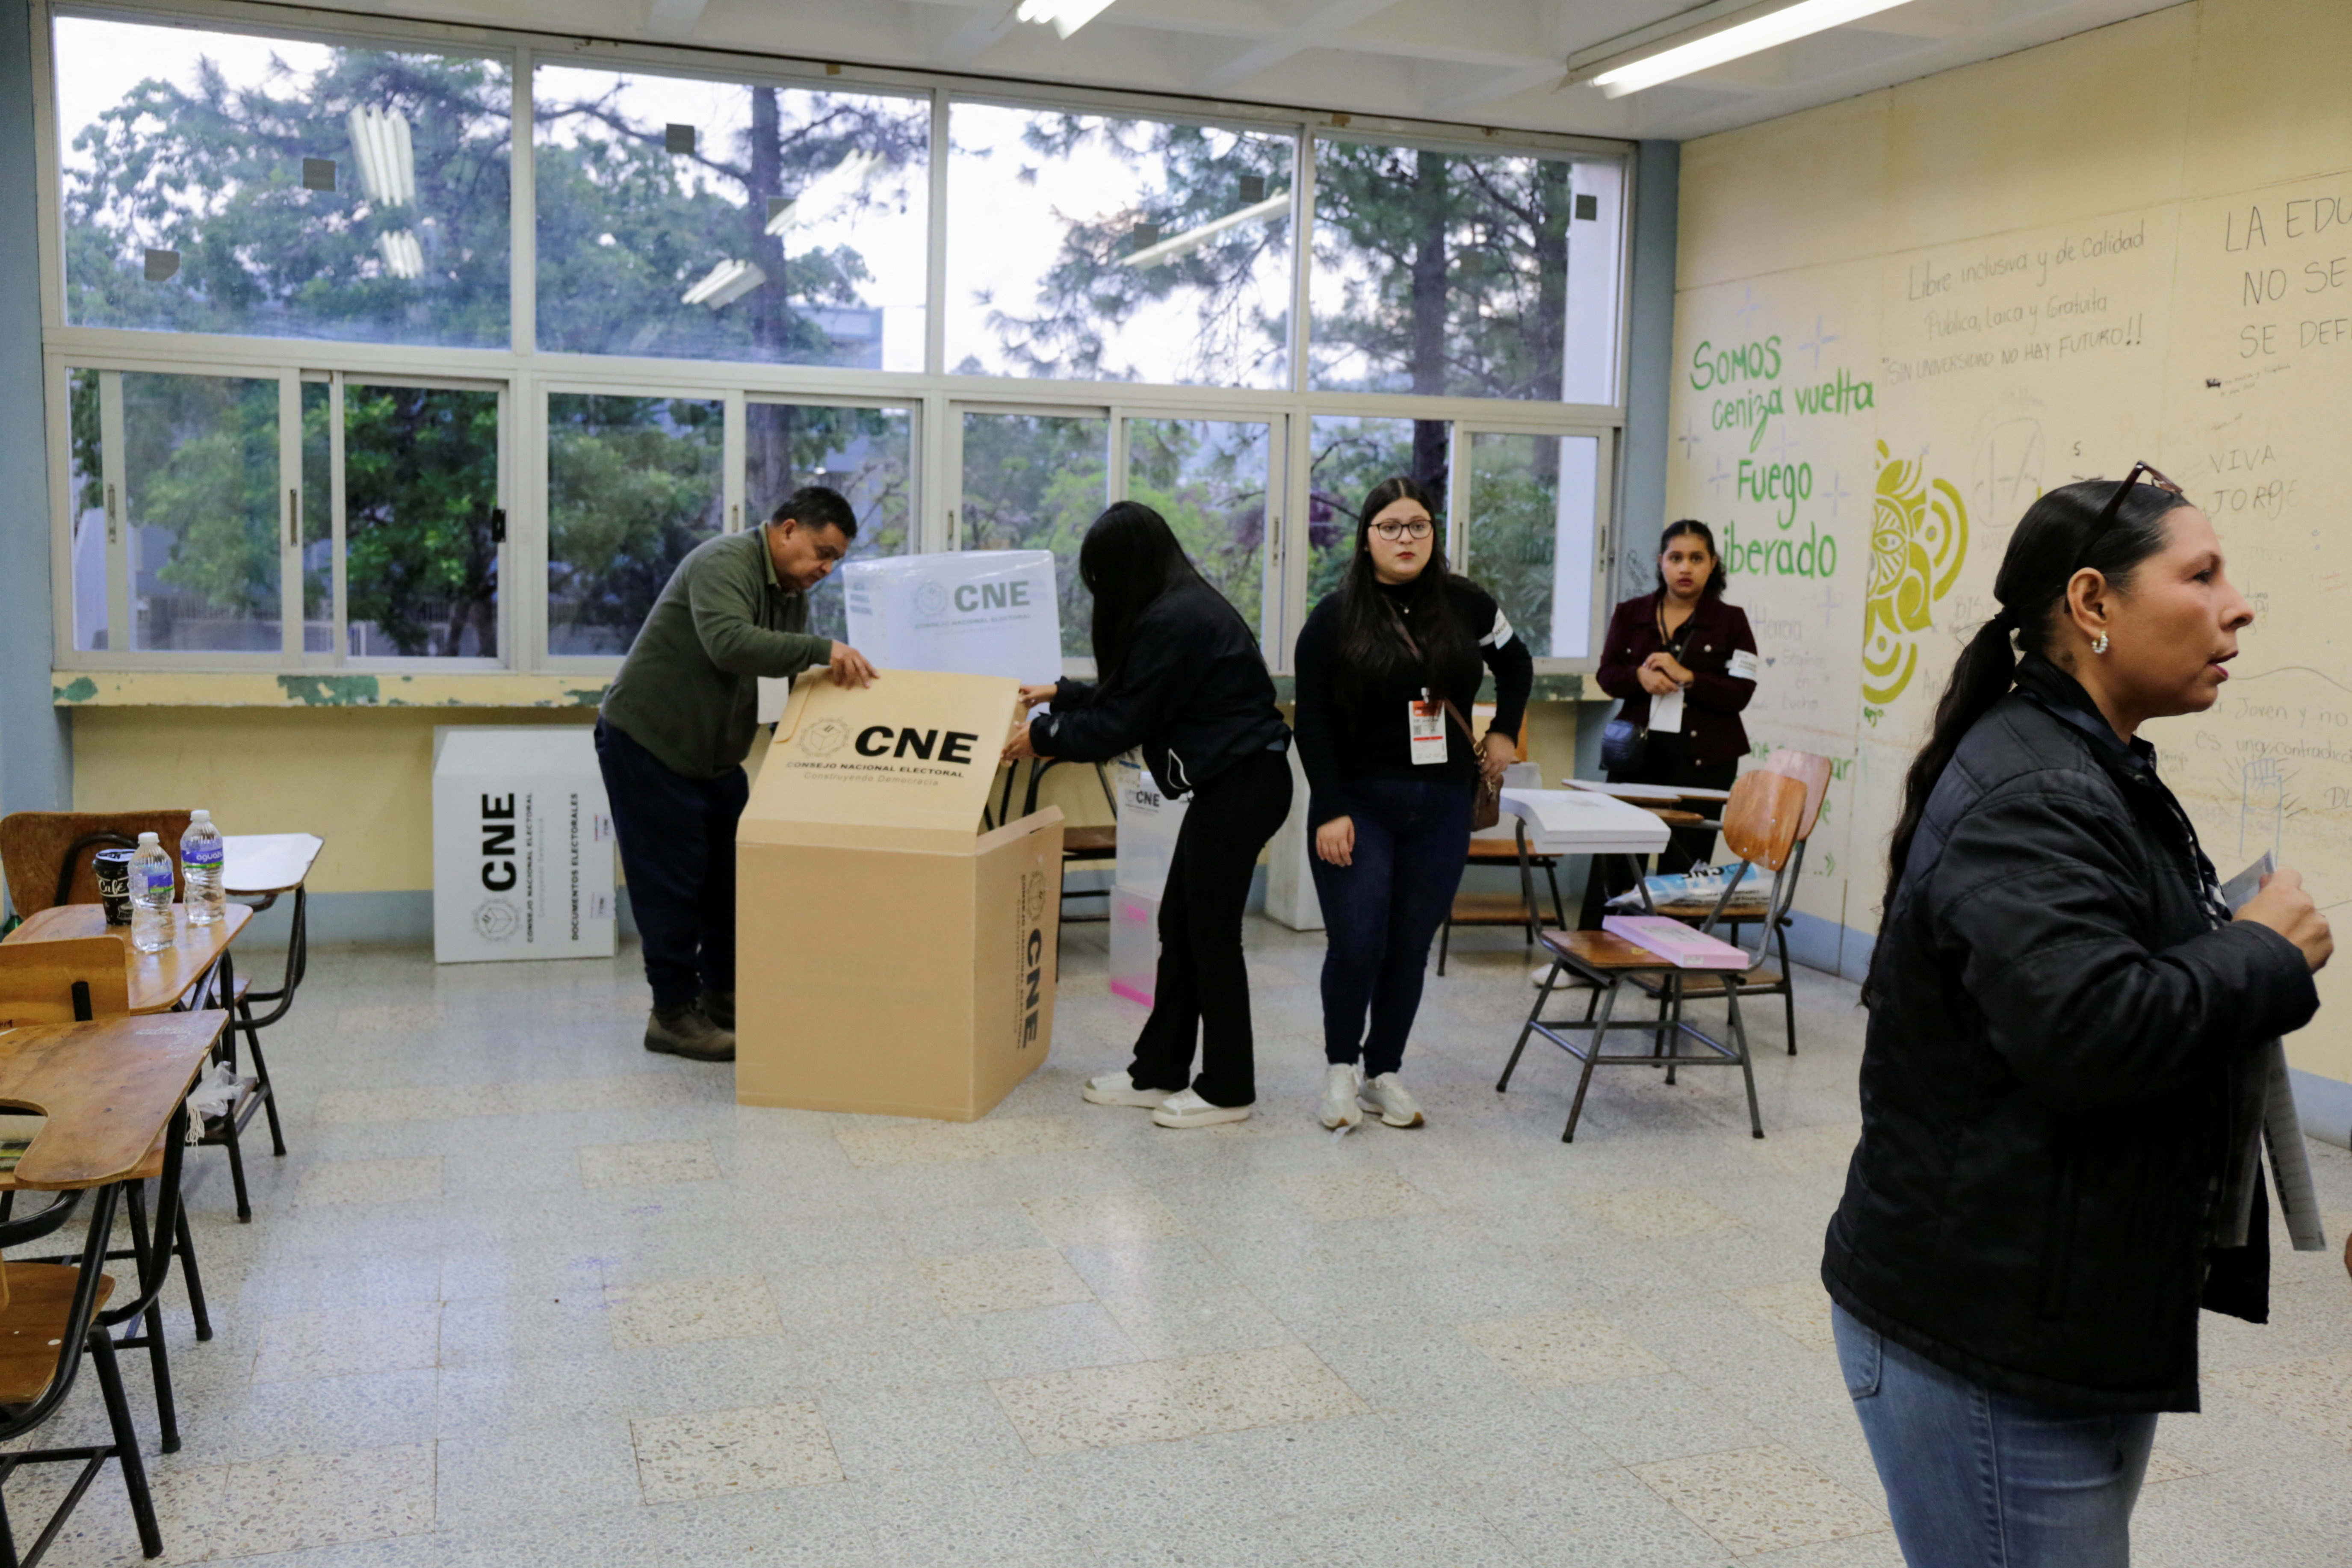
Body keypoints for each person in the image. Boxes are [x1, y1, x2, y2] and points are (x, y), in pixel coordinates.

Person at [1823, 469, 2331, 1567]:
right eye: (2198, 574)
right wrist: (2261, 952)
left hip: (2051, 1302)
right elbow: (2087, 1029)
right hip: (1989, 1335)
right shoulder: (2037, 790)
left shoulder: (2081, 759)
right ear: (2092, 605)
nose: (2235, 604)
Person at [1002, 502, 1292, 1129]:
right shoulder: (1178, 604)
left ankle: (1228, 1089)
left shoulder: (1175, 617)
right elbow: (1134, 691)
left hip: (1242, 785)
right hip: (1234, 783)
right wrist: (1061, 693)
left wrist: (1042, 737)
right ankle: (1158, 1070)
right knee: (1182, 927)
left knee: (1211, 939)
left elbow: (1121, 722)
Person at [596, 487, 878, 1062]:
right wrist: (823, 648)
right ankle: (672, 1015)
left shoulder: (789, 590)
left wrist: (811, 755)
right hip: (649, 740)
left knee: (731, 879)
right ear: (789, 529)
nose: (824, 569)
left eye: (835, 562)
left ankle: (722, 998)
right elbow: (729, 643)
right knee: (670, 885)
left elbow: (786, 671)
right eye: (821, 552)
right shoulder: (724, 561)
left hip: (714, 757)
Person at [1292, 476, 1532, 1131]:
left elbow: (1518, 663)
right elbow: (1310, 719)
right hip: (1359, 804)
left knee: (1408, 945)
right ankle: (1340, 1070)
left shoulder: (1466, 604)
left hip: (1443, 805)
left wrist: (1505, 730)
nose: (1406, 538)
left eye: (1419, 525)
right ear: (1367, 537)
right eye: (1391, 526)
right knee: (1357, 942)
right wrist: (1331, 807)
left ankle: (1383, 1073)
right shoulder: (1334, 615)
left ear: (1435, 533)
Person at [1581, 520, 1758, 924]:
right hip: (1637, 756)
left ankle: (1670, 965)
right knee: (1618, 853)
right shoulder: (1631, 614)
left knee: (1685, 864)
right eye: (1676, 557)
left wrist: (1689, 676)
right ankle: (1594, 954)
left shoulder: (1732, 621)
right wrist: (1638, 678)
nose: (1685, 568)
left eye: (1696, 558)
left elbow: (1741, 692)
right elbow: (1608, 675)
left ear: (1712, 564)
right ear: (1660, 562)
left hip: (1703, 761)